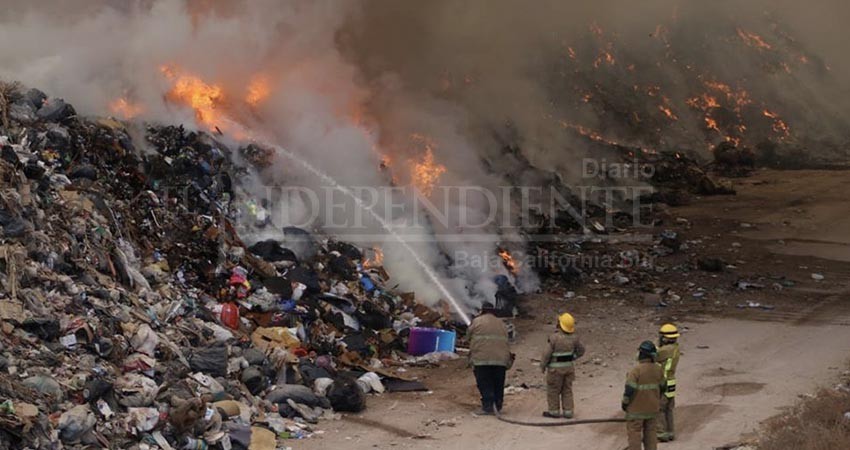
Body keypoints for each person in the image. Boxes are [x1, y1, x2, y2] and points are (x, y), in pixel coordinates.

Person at [467, 303, 512, 415]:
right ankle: (498, 405)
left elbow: (468, 336)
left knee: (484, 382)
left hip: (482, 359)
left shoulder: (476, 321)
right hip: (500, 360)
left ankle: (487, 406)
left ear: (482, 310)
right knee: (498, 382)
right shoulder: (502, 323)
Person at [622, 341, 665, 450]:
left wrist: (625, 403)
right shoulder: (658, 369)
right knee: (651, 433)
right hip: (652, 409)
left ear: (641, 354)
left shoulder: (635, 371)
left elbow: (629, 390)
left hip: (635, 411)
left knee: (635, 434)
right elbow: (663, 387)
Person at [541, 312, 585, 418]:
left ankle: (554, 411)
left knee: (553, 390)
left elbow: (547, 354)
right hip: (569, 368)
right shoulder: (575, 338)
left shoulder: (554, 338)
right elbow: (581, 350)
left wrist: (543, 365)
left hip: (555, 370)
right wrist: (573, 357)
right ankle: (568, 412)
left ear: (560, 324)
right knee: (567, 390)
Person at [656, 323, 681, 442]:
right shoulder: (675, 347)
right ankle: (670, 432)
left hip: (663, 382)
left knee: (659, 408)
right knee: (669, 409)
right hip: (671, 382)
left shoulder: (666, 350)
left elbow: (653, 357)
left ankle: (661, 433)